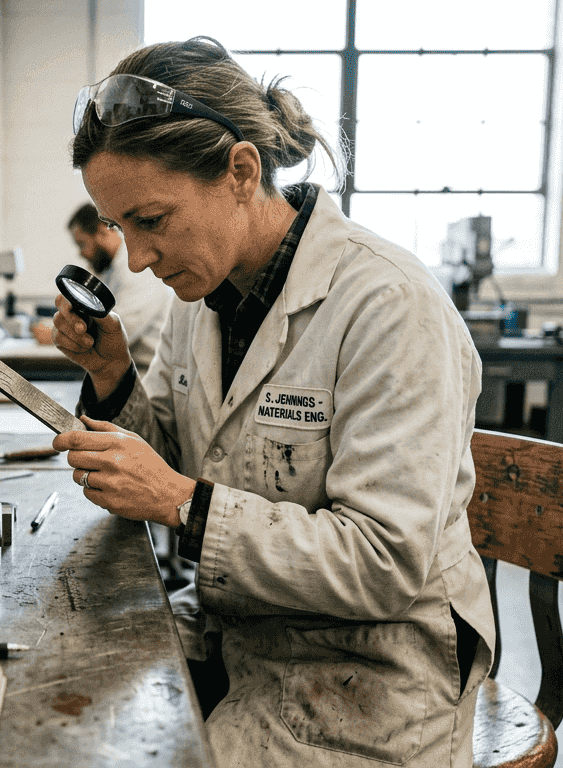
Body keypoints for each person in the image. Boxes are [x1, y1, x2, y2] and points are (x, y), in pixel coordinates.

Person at [50, 37, 494, 767]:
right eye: (119, 227)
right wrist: (113, 377)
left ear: (240, 171)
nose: (136, 258)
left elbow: (384, 561)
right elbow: (170, 459)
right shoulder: (201, 297)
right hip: (243, 633)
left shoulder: (389, 305)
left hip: (367, 676)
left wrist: (184, 506)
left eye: (152, 221)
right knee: (73, 713)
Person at [66, 203, 173, 373]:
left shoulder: (136, 270)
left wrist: (57, 334)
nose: (81, 253)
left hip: (152, 372)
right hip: (133, 367)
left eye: (81, 244)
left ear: (102, 231)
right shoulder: (108, 269)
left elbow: (118, 334)